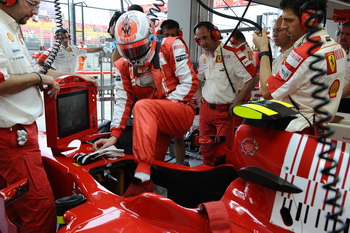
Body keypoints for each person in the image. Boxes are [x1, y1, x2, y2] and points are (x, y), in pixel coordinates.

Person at [0, 1, 96, 232]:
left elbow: (36, 70)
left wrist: (75, 76)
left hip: (21, 135)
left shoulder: (11, 29)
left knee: (15, 208)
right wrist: (40, 80)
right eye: (32, 3)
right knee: (40, 211)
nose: (35, 11)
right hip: (14, 139)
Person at [93, 11, 198, 197]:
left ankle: (143, 169)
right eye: (128, 51)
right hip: (157, 123)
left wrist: (158, 106)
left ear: (150, 38)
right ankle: (145, 194)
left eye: (136, 49)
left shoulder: (172, 46)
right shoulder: (123, 66)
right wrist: (114, 136)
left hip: (181, 113)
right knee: (152, 170)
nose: (133, 55)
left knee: (143, 106)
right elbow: (122, 102)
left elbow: (190, 84)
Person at [252, 0, 346, 134]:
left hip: (300, 131)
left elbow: (267, 92)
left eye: (289, 20)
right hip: (319, 129)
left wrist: (263, 49)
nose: (284, 26)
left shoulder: (303, 54)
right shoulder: (336, 47)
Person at [194, 21, 256, 166]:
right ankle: (206, 181)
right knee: (205, 148)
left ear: (215, 35)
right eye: (199, 40)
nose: (203, 42)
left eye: (205, 37)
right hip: (205, 110)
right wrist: (198, 94)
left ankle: (222, 184)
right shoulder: (203, 58)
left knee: (223, 152)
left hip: (225, 112)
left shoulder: (233, 55)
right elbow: (197, 79)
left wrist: (237, 102)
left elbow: (252, 77)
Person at [159, 19, 189, 166]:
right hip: (160, 95)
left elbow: (186, 78)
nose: (170, 38)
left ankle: (180, 166)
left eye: (173, 34)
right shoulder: (156, 48)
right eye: (167, 35)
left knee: (178, 137)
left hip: (176, 96)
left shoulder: (179, 47)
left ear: (178, 33)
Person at [37, 28, 103, 73]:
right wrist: (52, 70)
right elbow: (39, 61)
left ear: (69, 37)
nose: (65, 40)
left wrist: (101, 48)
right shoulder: (53, 49)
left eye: (66, 37)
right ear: (56, 38)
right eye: (62, 38)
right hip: (59, 79)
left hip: (72, 77)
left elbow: (89, 50)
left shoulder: (74, 48)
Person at [337, 21, 350, 113]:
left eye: (348, 34)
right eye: (342, 33)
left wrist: (336, 98)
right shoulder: (338, 52)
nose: (343, 37)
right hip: (333, 99)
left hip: (346, 103)